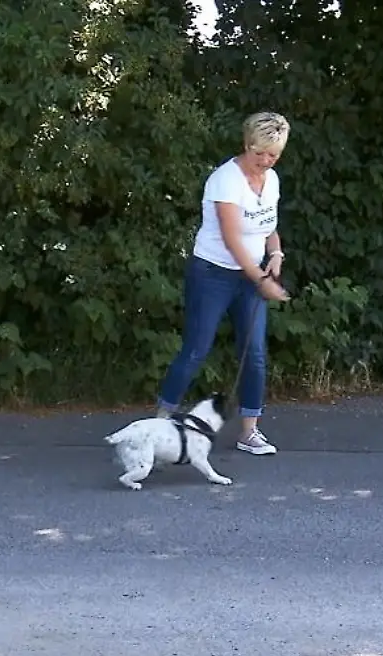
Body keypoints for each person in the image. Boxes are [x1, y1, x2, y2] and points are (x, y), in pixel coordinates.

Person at [154, 111, 293, 456]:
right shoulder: (225, 180)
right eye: (260, 153)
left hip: (251, 275)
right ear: (246, 144)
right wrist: (262, 280)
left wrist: (276, 254)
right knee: (196, 349)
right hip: (213, 273)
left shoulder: (272, 180)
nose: (266, 160)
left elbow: (268, 225)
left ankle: (250, 431)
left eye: (273, 155)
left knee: (255, 354)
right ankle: (158, 425)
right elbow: (232, 239)